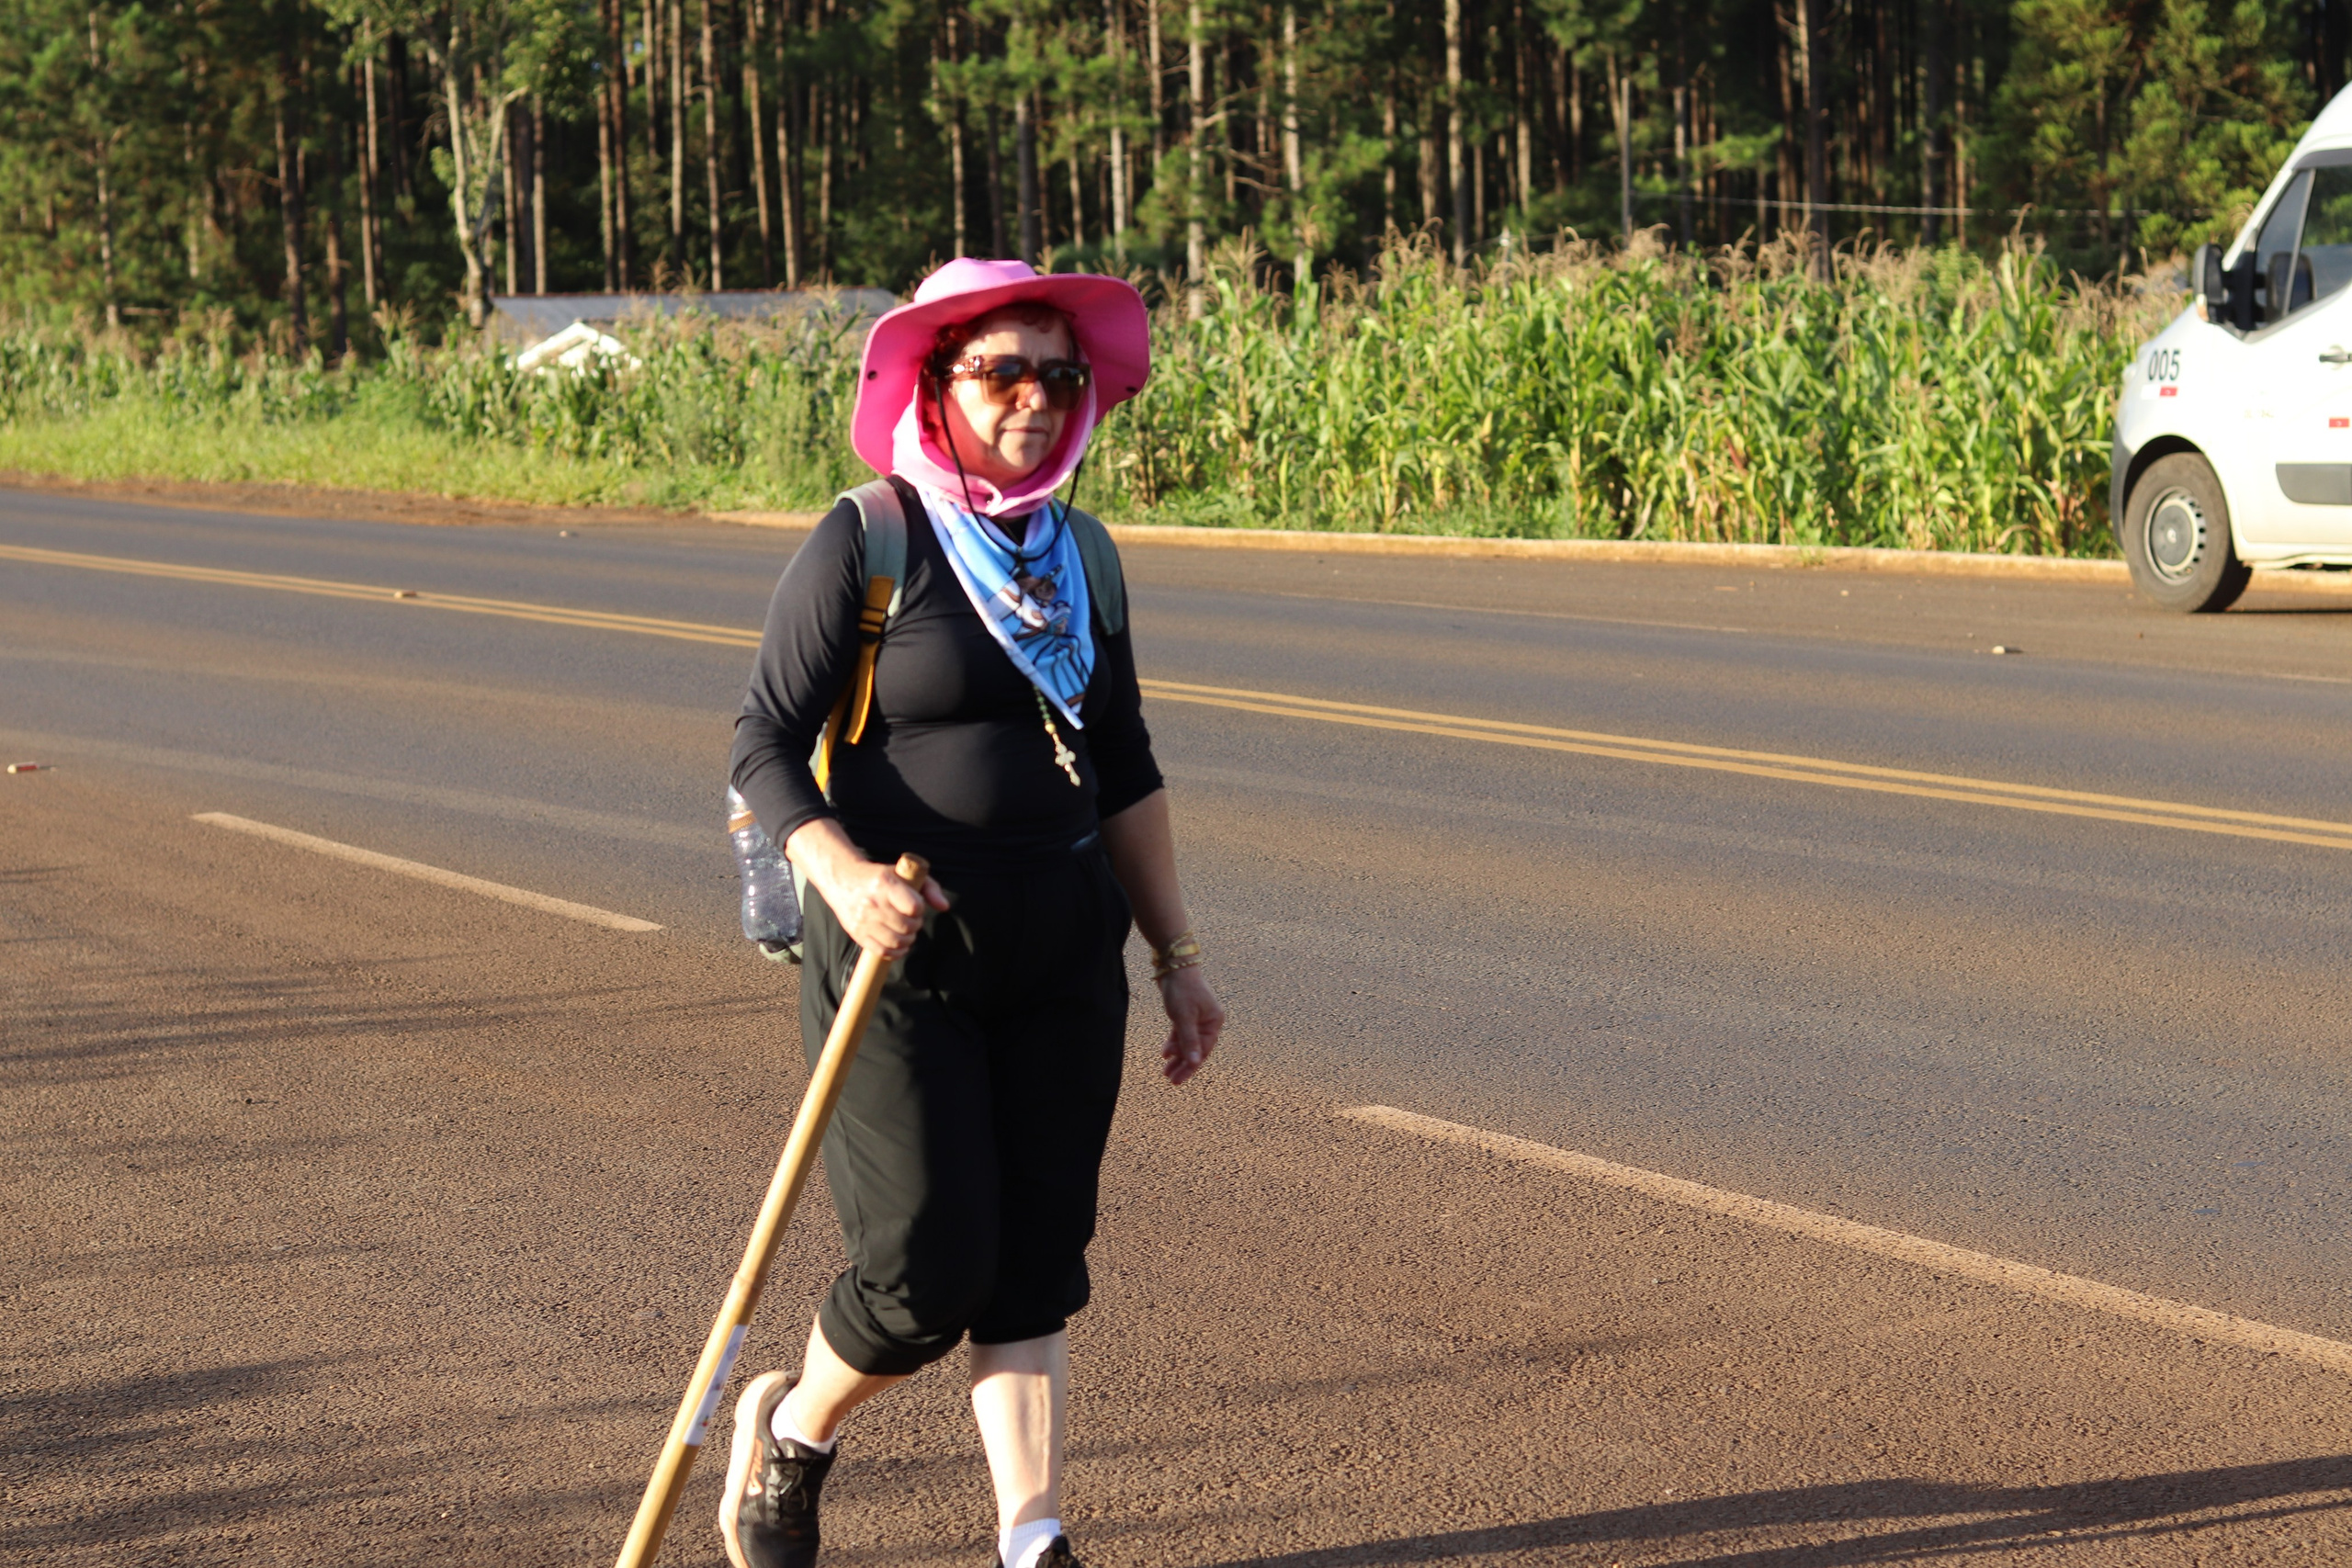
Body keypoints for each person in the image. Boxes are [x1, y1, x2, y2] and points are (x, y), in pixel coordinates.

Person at [720, 257, 1227, 1568]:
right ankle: (792, 1441)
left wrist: (1176, 954)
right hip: (904, 950)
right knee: (922, 1276)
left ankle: (1031, 1535)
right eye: (1003, 371)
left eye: (1062, 376)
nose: (1037, 400)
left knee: (1038, 1251)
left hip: (1065, 938)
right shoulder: (872, 534)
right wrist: (839, 869)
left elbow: (1122, 763)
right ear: (939, 386)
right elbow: (765, 739)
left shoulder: (1084, 559)